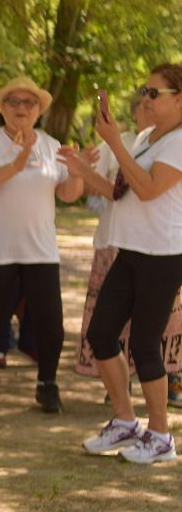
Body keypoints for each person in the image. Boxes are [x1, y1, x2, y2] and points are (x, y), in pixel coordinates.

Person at [68, 65, 182, 464]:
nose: (145, 99)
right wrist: (80, 169)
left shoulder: (179, 143)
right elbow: (122, 192)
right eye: (144, 91)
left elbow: (150, 190)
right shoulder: (150, 137)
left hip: (164, 254)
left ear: (179, 99)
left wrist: (115, 143)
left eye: (154, 93)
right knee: (100, 335)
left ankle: (161, 437)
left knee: (145, 345)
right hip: (132, 250)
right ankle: (124, 421)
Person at [0, 77, 84, 413]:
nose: (20, 108)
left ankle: (48, 384)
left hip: (40, 249)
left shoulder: (50, 144)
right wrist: (15, 165)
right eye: (13, 102)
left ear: (38, 110)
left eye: (28, 103)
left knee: (50, 319)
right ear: (2, 108)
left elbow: (69, 195)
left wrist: (76, 172)